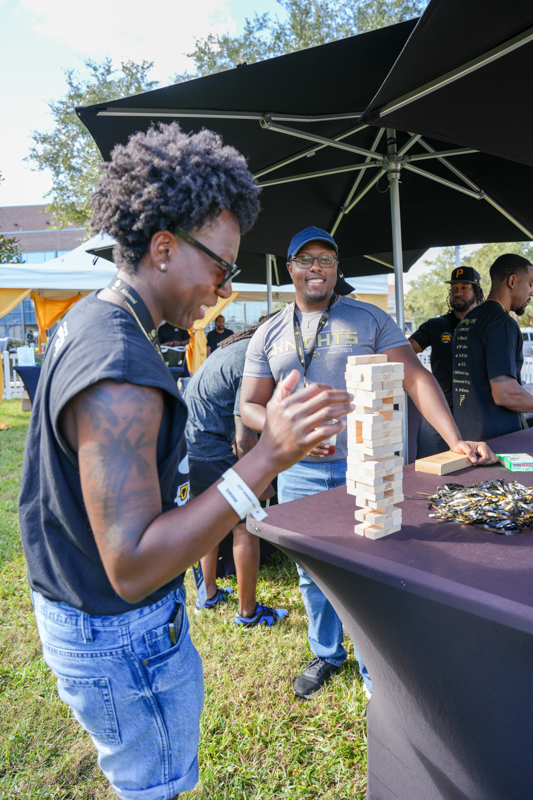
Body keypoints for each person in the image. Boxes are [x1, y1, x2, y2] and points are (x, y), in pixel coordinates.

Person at [17, 126, 354, 800]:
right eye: (222, 268)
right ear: (164, 248)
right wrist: (268, 455)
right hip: (119, 636)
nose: (223, 290)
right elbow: (134, 566)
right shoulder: (122, 369)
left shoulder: (88, 320)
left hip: (79, 610)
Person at [240, 225, 495, 701]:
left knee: (373, 563)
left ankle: (374, 662)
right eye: (305, 259)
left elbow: (415, 378)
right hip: (299, 471)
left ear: (337, 268)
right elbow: (250, 406)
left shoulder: (370, 318)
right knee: (311, 570)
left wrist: (455, 439)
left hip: (368, 465)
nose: (316, 268)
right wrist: (287, 432)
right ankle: (326, 651)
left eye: (326, 259)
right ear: (290, 268)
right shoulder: (269, 332)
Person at [184, 318, 287, 627]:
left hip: (188, 446)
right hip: (210, 447)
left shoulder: (233, 348)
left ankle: (208, 595)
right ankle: (248, 613)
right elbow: (244, 440)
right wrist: (262, 481)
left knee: (211, 523)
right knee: (246, 526)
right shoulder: (251, 359)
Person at [453, 253, 533, 441]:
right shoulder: (501, 322)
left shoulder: (469, 319)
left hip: (466, 435)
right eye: (530, 284)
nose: (531, 292)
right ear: (512, 281)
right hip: (496, 441)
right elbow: (505, 393)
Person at [409, 266, 484, 457]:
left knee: (473, 463)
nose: (458, 292)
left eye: (464, 288)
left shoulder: (485, 325)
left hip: (475, 410)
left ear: (477, 291)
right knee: (429, 462)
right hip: (438, 407)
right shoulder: (436, 325)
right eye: (454, 288)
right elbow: (405, 351)